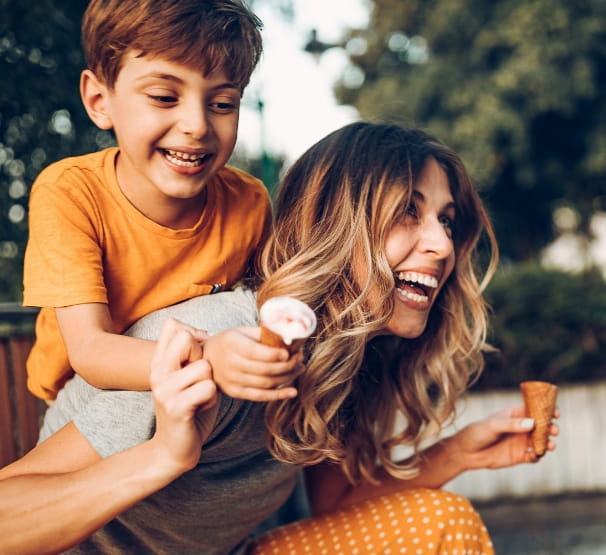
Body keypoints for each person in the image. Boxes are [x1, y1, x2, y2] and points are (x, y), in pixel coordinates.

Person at [0, 122, 559, 554]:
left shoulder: (348, 357)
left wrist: (457, 452)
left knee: (434, 524)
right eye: (405, 214)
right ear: (334, 225)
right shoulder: (216, 341)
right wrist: (162, 457)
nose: (441, 244)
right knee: (442, 523)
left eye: (447, 219)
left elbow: (329, 504)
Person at [22, 0, 300, 403]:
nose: (197, 125)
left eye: (223, 104)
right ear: (100, 101)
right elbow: (90, 351)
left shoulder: (249, 202)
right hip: (84, 399)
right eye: (164, 97)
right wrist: (209, 358)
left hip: (185, 392)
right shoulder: (69, 192)